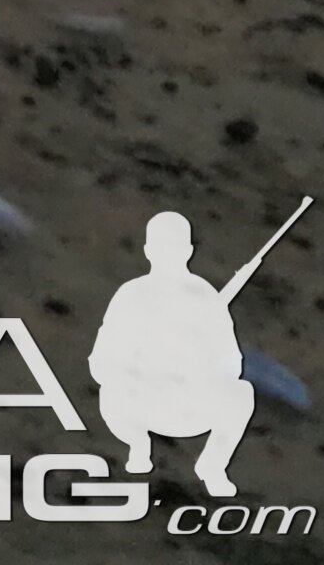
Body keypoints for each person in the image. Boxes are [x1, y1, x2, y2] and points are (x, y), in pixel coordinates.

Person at [90, 210, 260, 496]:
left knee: (241, 394)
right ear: (148, 251)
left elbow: (232, 363)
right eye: (161, 246)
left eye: (174, 246)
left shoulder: (206, 298)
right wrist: (141, 367)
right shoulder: (131, 295)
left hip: (190, 405)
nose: (167, 254)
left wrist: (196, 359)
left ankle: (213, 466)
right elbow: (101, 361)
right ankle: (138, 445)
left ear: (188, 251)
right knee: (111, 392)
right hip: (138, 404)